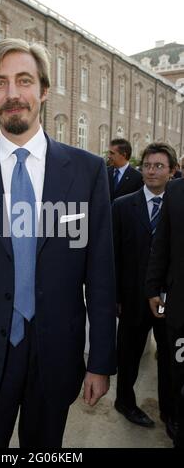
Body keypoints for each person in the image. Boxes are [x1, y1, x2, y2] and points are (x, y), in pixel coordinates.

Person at [0, 38, 116, 448]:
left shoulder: (86, 172)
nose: (13, 94)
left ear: (44, 90)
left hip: (56, 353)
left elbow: (100, 273)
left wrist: (100, 361)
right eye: (0, 83)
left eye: (24, 81)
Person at [112, 142, 177, 434]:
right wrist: (114, 298)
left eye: (159, 166)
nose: (151, 171)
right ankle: (124, 401)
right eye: (147, 165)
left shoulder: (178, 207)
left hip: (169, 301)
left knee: (169, 358)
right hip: (132, 299)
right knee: (128, 354)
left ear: (173, 171)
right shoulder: (123, 206)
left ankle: (170, 412)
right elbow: (111, 256)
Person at [146, 169, 184, 448]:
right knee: (176, 367)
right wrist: (153, 288)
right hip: (179, 303)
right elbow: (162, 245)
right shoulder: (176, 191)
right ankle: (174, 418)